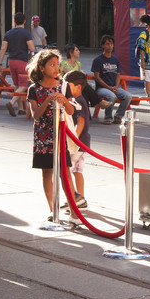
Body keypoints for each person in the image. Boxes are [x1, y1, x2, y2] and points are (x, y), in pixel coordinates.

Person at [26, 48, 74, 219]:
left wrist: (61, 98)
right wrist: (48, 99)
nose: (55, 68)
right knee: (47, 172)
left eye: (57, 65)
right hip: (42, 137)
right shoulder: (34, 89)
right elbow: (36, 115)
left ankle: (73, 209)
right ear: (41, 68)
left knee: (65, 172)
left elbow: (70, 110)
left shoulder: (63, 86)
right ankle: (52, 209)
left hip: (60, 136)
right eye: (51, 65)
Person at [62, 69, 91, 217]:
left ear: (78, 87)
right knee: (77, 171)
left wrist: (74, 139)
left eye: (68, 86)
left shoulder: (78, 101)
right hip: (83, 142)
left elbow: (80, 120)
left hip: (77, 143)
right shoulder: (81, 100)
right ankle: (80, 198)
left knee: (67, 171)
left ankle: (75, 197)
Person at [0, 12, 36, 117]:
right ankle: (12, 102)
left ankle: (21, 109)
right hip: (22, 61)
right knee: (23, 85)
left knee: (17, 85)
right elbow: (32, 48)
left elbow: (3, 48)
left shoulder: (8, 33)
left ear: (14, 21)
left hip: (11, 61)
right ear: (25, 21)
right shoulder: (26, 33)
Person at [91, 34, 132, 125]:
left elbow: (118, 75)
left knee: (128, 96)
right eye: (107, 44)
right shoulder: (98, 60)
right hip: (102, 88)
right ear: (102, 45)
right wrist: (109, 88)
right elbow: (97, 77)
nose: (109, 46)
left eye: (111, 44)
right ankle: (108, 117)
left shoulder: (115, 60)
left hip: (114, 87)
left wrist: (116, 87)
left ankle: (118, 116)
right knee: (111, 96)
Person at [60, 42, 102, 109]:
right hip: (68, 86)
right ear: (71, 52)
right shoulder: (64, 63)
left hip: (78, 86)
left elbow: (78, 76)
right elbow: (72, 75)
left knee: (84, 93)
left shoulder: (78, 64)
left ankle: (86, 115)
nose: (79, 52)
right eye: (76, 50)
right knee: (85, 86)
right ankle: (99, 102)